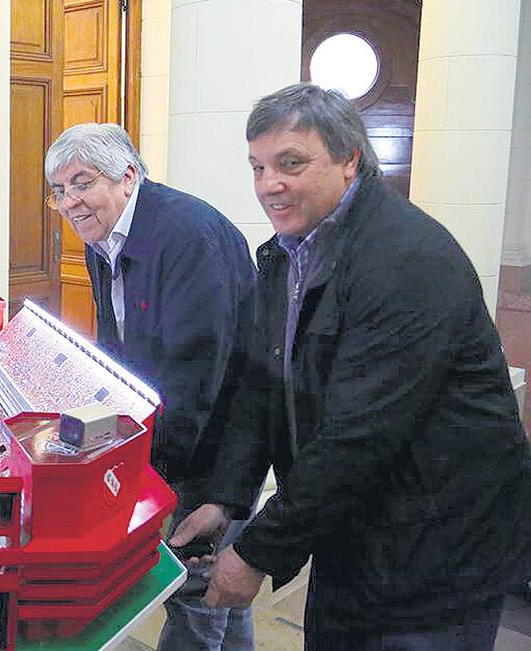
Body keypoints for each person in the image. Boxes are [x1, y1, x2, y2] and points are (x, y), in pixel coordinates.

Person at [170, 83, 531, 650]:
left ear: (349, 159)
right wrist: (226, 497)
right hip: (351, 535)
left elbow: (360, 434)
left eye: (291, 163)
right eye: (258, 166)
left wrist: (258, 551)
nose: (270, 185)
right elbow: (260, 390)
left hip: (438, 549)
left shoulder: (407, 259)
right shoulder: (286, 255)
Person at [43, 123, 256, 650]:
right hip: (175, 427)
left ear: (128, 177)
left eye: (81, 182)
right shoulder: (105, 236)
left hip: (213, 441)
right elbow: (118, 352)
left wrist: (149, 467)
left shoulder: (186, 235)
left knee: (193, 592)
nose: (70, 201)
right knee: (215, 597)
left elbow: (196, 372)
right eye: (59, 190)